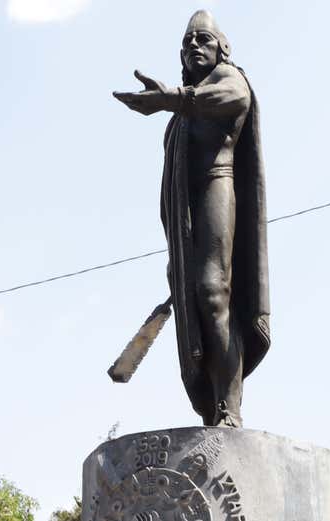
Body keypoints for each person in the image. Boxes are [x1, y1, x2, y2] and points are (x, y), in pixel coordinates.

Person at [113, 10, 270, 428]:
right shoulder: (183, 111)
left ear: (222, 48)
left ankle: (229, 406)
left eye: (203, 39)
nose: (193, 47)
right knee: (194, 305)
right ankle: (211, 407)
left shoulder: (228, 80)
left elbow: (233, 100)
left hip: (218, 186)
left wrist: (172, 100)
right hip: (182, 220)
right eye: (187, 43)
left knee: (213, 291)